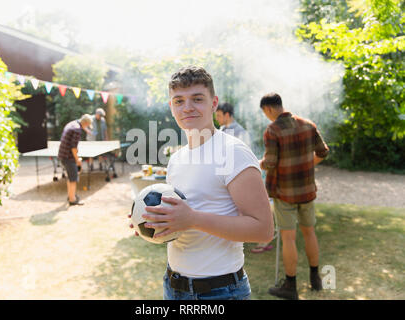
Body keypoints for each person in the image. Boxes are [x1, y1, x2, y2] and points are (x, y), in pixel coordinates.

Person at [130, 66, 274, 300]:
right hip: (173, 287)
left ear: (214, 103)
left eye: (197, 99)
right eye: (179, 101)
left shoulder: (232, 152)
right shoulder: (177, 158)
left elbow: (263, 230)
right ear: (171, 107)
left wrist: (193, 219)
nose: (187, 107)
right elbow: (180, 220)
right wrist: (152, 221)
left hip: (219, 292)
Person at [259, 93, 329, 300]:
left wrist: (261, 163)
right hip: (307, 191)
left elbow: (270, 163)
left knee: (288, 238)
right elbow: (323, 152)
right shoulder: (308, 125)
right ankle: (315, 279)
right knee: (310, 233)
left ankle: (290, 286)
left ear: (269, 109)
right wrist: (308, 164)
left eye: (265, 113)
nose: (267, 117)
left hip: (284, 193)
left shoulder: (273, 130)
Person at [216, 102, 273, 254]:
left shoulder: (240, 132)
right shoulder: (221, 130)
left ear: (227, 115)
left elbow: (245, 157)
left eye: (219, 115)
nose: (217, 118)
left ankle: (250, 239)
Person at [58, 114, 93, 206]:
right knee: (73, 178)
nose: (87, 128)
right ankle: (72, 200)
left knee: (70, 177)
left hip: (62, 155)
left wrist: (86, 129)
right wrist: (77, 160)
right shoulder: (77, 130)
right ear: (85, 123)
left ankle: (71, 195)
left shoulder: (72, 124)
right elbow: (73, 147)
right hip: (68, 157)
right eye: (87, 125)